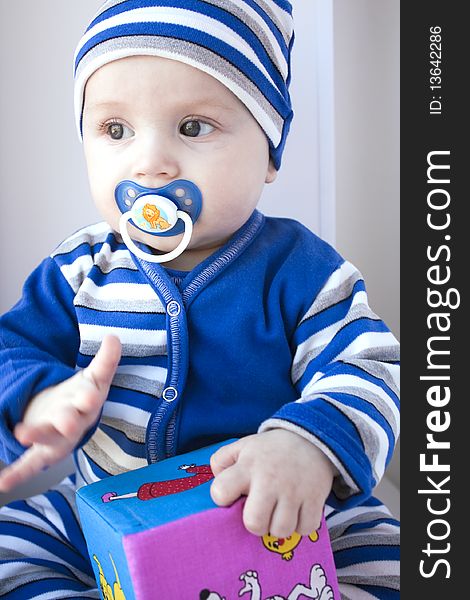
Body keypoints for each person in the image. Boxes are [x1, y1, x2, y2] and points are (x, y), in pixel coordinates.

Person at [0, 1, 399, 598]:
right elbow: (13, 346)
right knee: (12, 545)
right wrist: (35, 401)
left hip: (271, 516)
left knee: (384, 556)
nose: (150, 163)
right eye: (115, 130)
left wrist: (305, 445)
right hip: (102, 513)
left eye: (192, 127)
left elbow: (368, 364)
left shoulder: (301, 269)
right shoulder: (79, 271)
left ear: (268, 152)